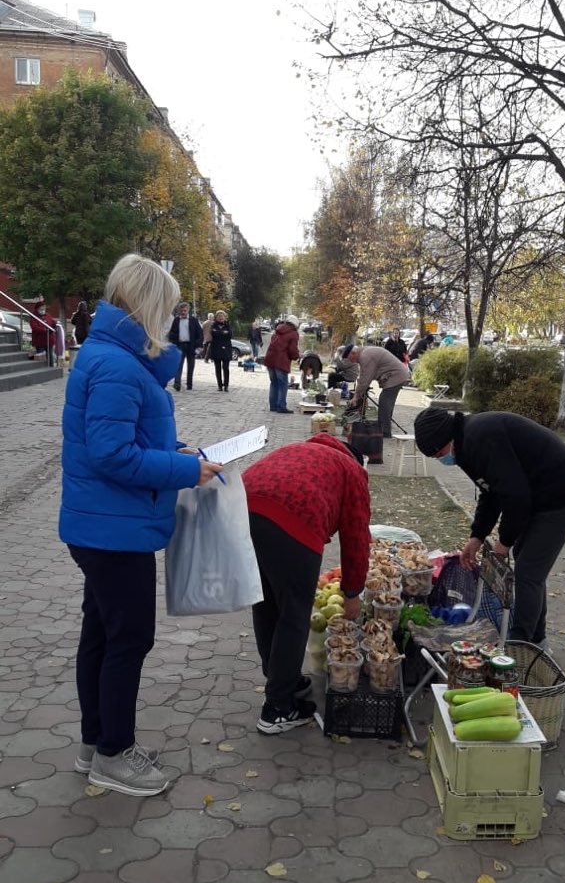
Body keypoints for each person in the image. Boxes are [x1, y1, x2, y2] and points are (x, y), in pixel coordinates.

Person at [59, 253, 223, 796]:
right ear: (149, 305)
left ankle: (96, 743)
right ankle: (113, 754)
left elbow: (120, 439)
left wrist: (176, 451)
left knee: (102, 636)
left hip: (106, 524)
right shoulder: (116, 365)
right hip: (114, 529)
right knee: (128, 638)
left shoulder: (111, 357)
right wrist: (184, 469)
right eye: (170, 307)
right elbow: (111, 454)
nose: (173, 318)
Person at [413, 409, 565, 649]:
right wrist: (476, 537)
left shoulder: (481, 438)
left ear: (446, 438)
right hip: (538, 495)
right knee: (527, 562)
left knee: (528, 571)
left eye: (439, 454)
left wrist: (503, 545)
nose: (441, 459)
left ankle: (519, 647)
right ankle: (537, 639)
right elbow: (491, 493)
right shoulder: (464, 446)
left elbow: (515, 497)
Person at [242, 434, 370, 733]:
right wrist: (352, 592)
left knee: (265, 602)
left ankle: (280, 678)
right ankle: (278, 709)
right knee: (294, 614)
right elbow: (356, 538)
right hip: (294, 518)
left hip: (240, 510)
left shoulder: (299, 447)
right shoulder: (351, 471)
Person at [344, 343, 410, 438]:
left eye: (351, 359)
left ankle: (385, 432)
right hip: (396, 375)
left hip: (395, 376)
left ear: (354, 353)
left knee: (385, 402)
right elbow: (365, 375)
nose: (353, 362)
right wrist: (359, 392)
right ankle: (384, 429)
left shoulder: (365, 356)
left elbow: (365, 378)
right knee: (387, 403)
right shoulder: (365, 352)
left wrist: (356, 396)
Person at [264, 314, 300, 413]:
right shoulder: (293, 333)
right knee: (283, 384)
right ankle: (281, 406)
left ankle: (273, 406)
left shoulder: (277, 330)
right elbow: (292, 350)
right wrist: (297, 356)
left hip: (270, 359)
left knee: (274, 383)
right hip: (281, 361)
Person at [168, 302, 203, 391]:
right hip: (180, 345)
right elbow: (172, 333)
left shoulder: (193, 320)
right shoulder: (176, 320)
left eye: (185, 310)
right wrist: (174, 342)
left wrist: (199, 345)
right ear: (179, 311)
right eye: (181, 310)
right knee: (178, 365)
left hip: (191, 345)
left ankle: (189, 384)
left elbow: (199, 333)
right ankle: (177, 383)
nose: (183, 312)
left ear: (188, 310)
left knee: (191, 365)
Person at [210, 309, 233, 392]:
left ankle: (226, 385)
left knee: (226, 368)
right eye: (219, 316)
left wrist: (220, 333)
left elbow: (230, 335)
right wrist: (223, 333)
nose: (220, 318)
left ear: (225, 317)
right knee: (217, 368)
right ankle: (219, 385)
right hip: (216, 349)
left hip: (226, 349)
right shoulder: (214, 325)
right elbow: (213, 333)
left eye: (222, 316)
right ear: (216, 318)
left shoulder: (228, 325)